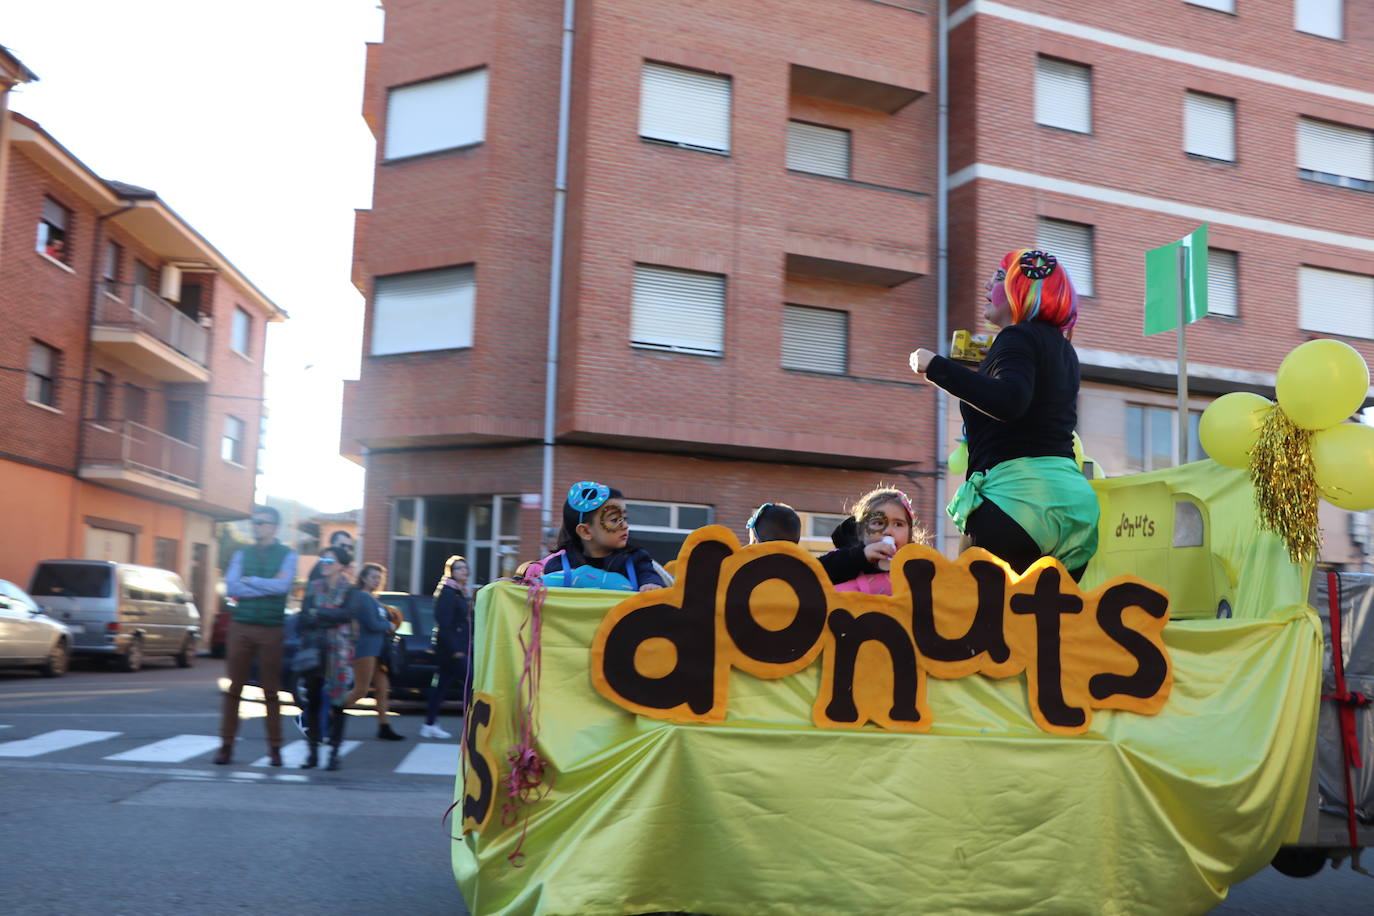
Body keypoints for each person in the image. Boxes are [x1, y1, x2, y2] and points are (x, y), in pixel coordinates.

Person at [911, 248, 1099, 581]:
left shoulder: (1016, 336)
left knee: (974, 619)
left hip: (1019, 503)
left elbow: (1010, 401)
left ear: (1021, 290)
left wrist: (935, 367)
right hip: (1074, 509)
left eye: (998, 276)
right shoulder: (1063, 349)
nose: (987, 283)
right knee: (1048, 625)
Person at [215, 505, 298, 767]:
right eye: (254, 522)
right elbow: (232, 586)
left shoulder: (288, 555)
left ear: (273, 527)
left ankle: (275, 749)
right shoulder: (242, 553)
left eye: (261, 523)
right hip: (242, 626)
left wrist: (251, 581)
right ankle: (226, 746)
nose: (256, 527)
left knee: (271, 691)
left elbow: (282, 586)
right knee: (234, 689)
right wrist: (265, 585)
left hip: (272, 628)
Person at [529, 481, 666, 592]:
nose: (625, 526)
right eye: (614, 520)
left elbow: (648, 575)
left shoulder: (636, 559)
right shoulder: (559, 565)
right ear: (586, 532)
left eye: (624, 518)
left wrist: (651, 584)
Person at [296, 547, 362, 770]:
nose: (324, 563)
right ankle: (312, 753)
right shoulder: (313, 587)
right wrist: (327, 616)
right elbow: (304, 617)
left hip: (339, 654)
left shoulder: (350, 590)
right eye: (322, 558)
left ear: (342, 566)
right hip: (316, 649)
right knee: (313, 702)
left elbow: (347, 614)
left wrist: (319, 613)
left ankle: (334, 753)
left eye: (330, 560)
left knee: (338, 704)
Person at [820, 487, 923, 595]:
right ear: (861, 531)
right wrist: (860, 556)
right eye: (878, 523)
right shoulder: (843, 558)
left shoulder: (919, 571)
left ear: (909, 534)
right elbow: (812, 574)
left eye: (898, 524)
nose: (888, 531)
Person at [344, 562, 404, 741]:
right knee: (360, 691)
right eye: (373, 577)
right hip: (365, 649)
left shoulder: (372, 597)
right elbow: (372, 624)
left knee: (382, 688)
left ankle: (384, 726)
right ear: (363, 578)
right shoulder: (363, 597)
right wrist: (389, 624)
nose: (377, 580)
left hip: (377, 652)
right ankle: (325, 714)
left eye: (379, 577)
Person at [420, 555, 470, 740]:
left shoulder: (459, 591)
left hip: (455, 646)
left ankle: (429, 724)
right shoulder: (448, 592)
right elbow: (444, 623)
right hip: (451, 649)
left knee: (441, 685)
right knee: (471, 682)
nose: (464, 571)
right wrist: (456, 649)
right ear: (451, 572)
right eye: (459, 568)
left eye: (465, 568)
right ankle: (475, 726)